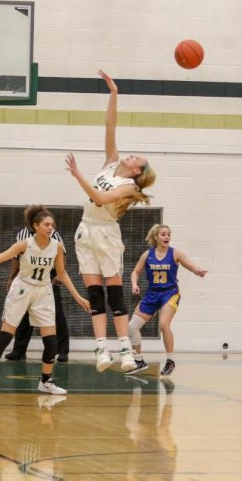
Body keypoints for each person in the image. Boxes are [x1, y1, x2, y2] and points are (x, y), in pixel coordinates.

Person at [65, 70, 156, 373]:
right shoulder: (110, 162)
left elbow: (102, 200)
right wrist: (114, 93)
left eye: (135, 159)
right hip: (85, 230)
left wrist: (78, 174)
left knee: (113, 293)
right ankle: (102, 350)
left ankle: (127, 353)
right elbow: (110, 124)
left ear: (136, 171)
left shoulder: (130, 188)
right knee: (94, 293)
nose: (130, 156)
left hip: (105, 233)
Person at [0, 205, 90, 396]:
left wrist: (78, 296)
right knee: (6, 337)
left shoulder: (57, 246)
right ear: (36, 225)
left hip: (43, 292)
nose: (50, 228)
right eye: (46, 224)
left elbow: (62, 274)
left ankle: (45, 381)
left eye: (52, 225)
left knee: (51, 342)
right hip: (22, 289)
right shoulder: (24, 244)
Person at [127, 224, 207, 376]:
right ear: (156, 237)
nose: (167, 237)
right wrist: (134, 284)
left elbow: (189, 265)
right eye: (163, 234)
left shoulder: (175, 253)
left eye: (168, 234)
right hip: (152, 294)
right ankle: (139, 360)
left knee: (164, 324)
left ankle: (170, 360)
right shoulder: (147, 255)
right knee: (132, 327)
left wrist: (198, 271)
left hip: (169, 294)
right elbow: (135, 272)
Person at [4, 223, 70, 362]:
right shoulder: (22, 235)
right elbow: (16, 259)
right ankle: (19, 350)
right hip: (27, 277)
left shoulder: (53, 235)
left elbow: (62, 254)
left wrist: (59, 275)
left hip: (47, 276)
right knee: (24, 313)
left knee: (56, 313)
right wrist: (11, 278)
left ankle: (62, 350)